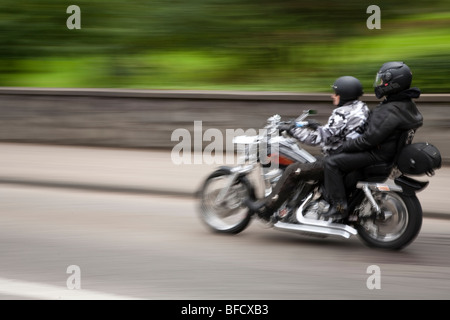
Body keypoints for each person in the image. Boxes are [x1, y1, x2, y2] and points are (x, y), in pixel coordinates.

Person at [245, 76, 370, 221]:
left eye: (335, 93)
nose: (332, 96)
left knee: (293, 170)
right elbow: (339, 132)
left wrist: (292, 130)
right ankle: (297, 205)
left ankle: (267, 209)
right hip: (350, 157)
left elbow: (316, 139)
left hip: (338, 158)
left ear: (344, 95)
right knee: (308, 163)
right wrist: (317, 126)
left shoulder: (342, 112)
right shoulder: (361, 107)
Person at [321, 61, 424, 220]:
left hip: (376, 155)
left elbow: (368, 140)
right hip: (386, 153)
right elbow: (377, 130)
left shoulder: (391, 109)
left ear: (392, 83)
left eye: (382, 81)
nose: (379, 84)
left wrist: (344, 146)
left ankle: (338, 207)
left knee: (331, 163)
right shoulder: (404, 103)